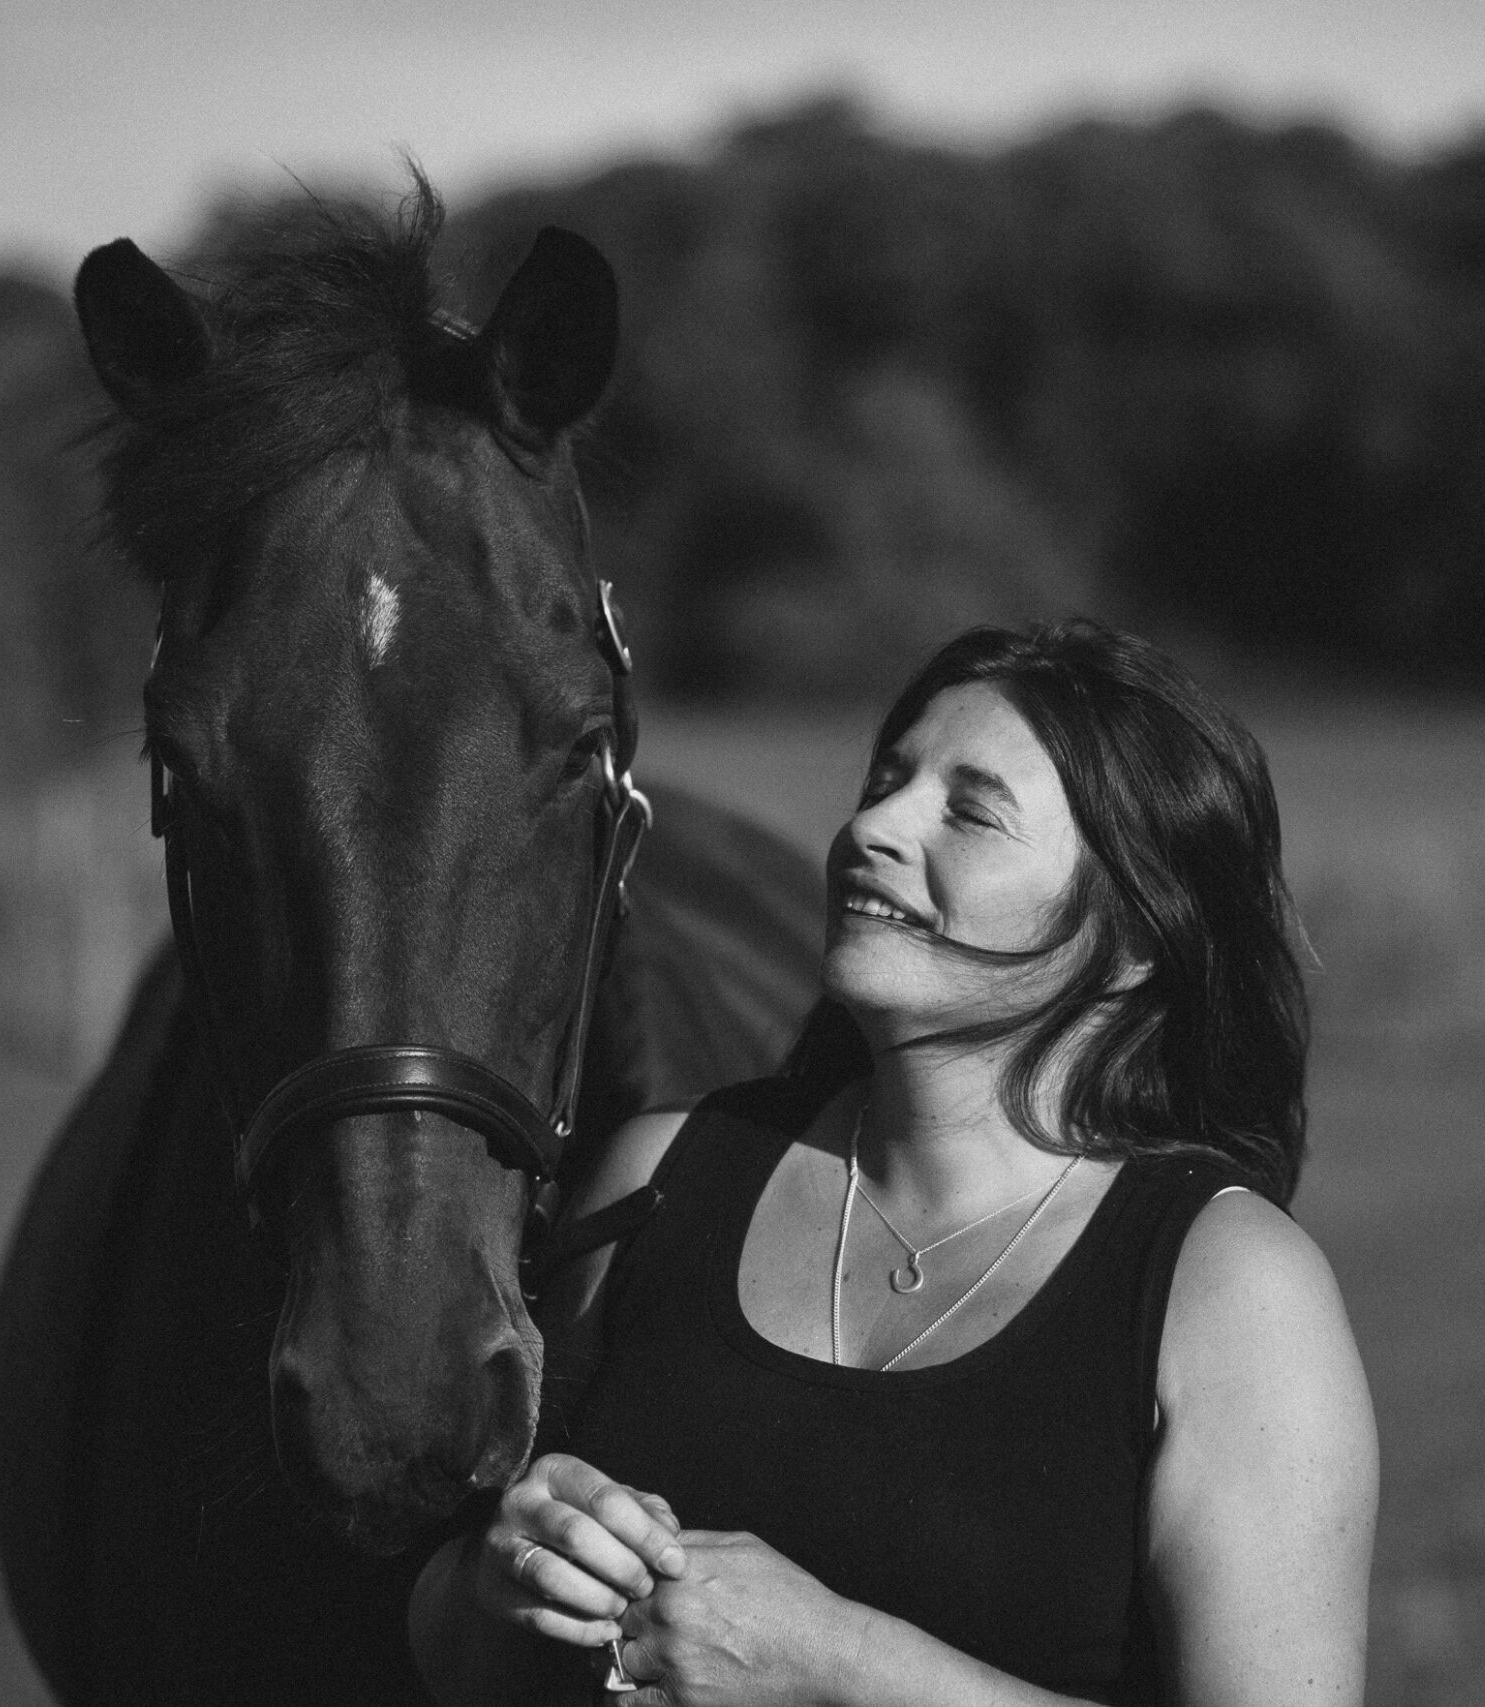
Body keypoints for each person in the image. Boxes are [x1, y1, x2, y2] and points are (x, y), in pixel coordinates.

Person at [409, 619, 1376, 1706]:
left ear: (1136, 937)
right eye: (884, 781)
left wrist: (837, 1665)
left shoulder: (1230, 1286)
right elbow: (450, 1655)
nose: (871, 827)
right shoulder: (658, 1174)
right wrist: (498, 1577)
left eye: (970, 813)